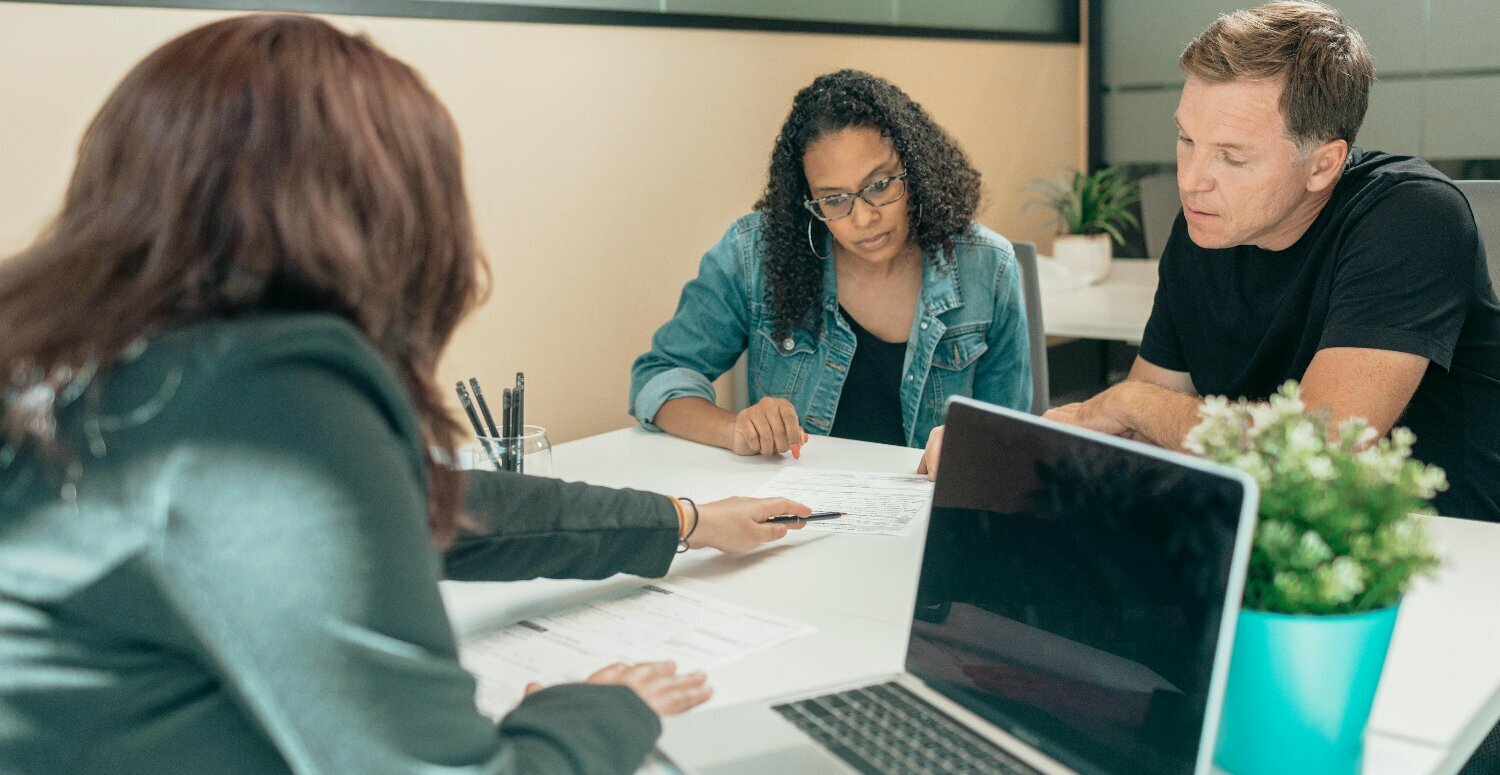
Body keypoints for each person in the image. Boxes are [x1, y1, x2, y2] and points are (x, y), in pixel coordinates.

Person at [0, 15, 811, 775]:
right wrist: (600, 710)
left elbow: (433, 502)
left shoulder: (91, 360)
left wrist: (685, 520)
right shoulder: (259, 391)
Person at [921, 1, 1500, 525]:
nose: (1193, 180)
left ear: (1324, 165)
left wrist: (1131, 400)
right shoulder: (1204, 229)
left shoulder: (1412, 215)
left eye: (1232, 156)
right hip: (1270, 539)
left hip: (1441, 555)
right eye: (1186, 140)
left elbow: (1321, 447)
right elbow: (1131, 437)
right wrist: (1009, 446)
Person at [629, 69, 1031, 458]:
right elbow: (659, 376)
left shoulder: (987, 266)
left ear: (917, 170)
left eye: (879, 185)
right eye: (834, 199)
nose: (863, 217)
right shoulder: (754, 255)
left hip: (926, 516)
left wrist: (975, 448)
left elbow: (1012, 435)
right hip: (796, 516)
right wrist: (735, 428)